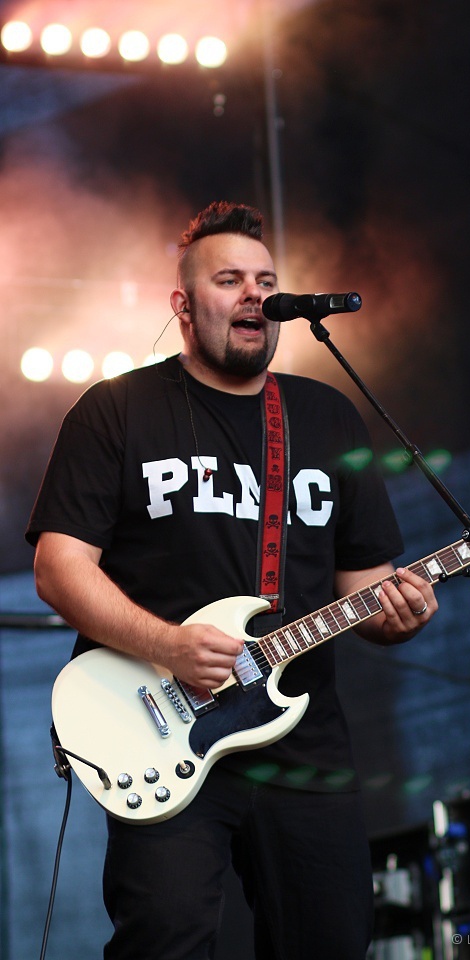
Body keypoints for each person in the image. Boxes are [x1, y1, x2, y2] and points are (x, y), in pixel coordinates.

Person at [27, 200, 438, 960]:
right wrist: (170, 646)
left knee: (331, 942)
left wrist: (401, 611)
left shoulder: (327, 417)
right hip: (159, 727)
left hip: (304, 744)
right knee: (168, 940)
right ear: (183, 305)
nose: (255, 295)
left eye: (266, 281)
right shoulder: (117, 411)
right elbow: (58, 567)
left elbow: (369, 586)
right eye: (229, 280)